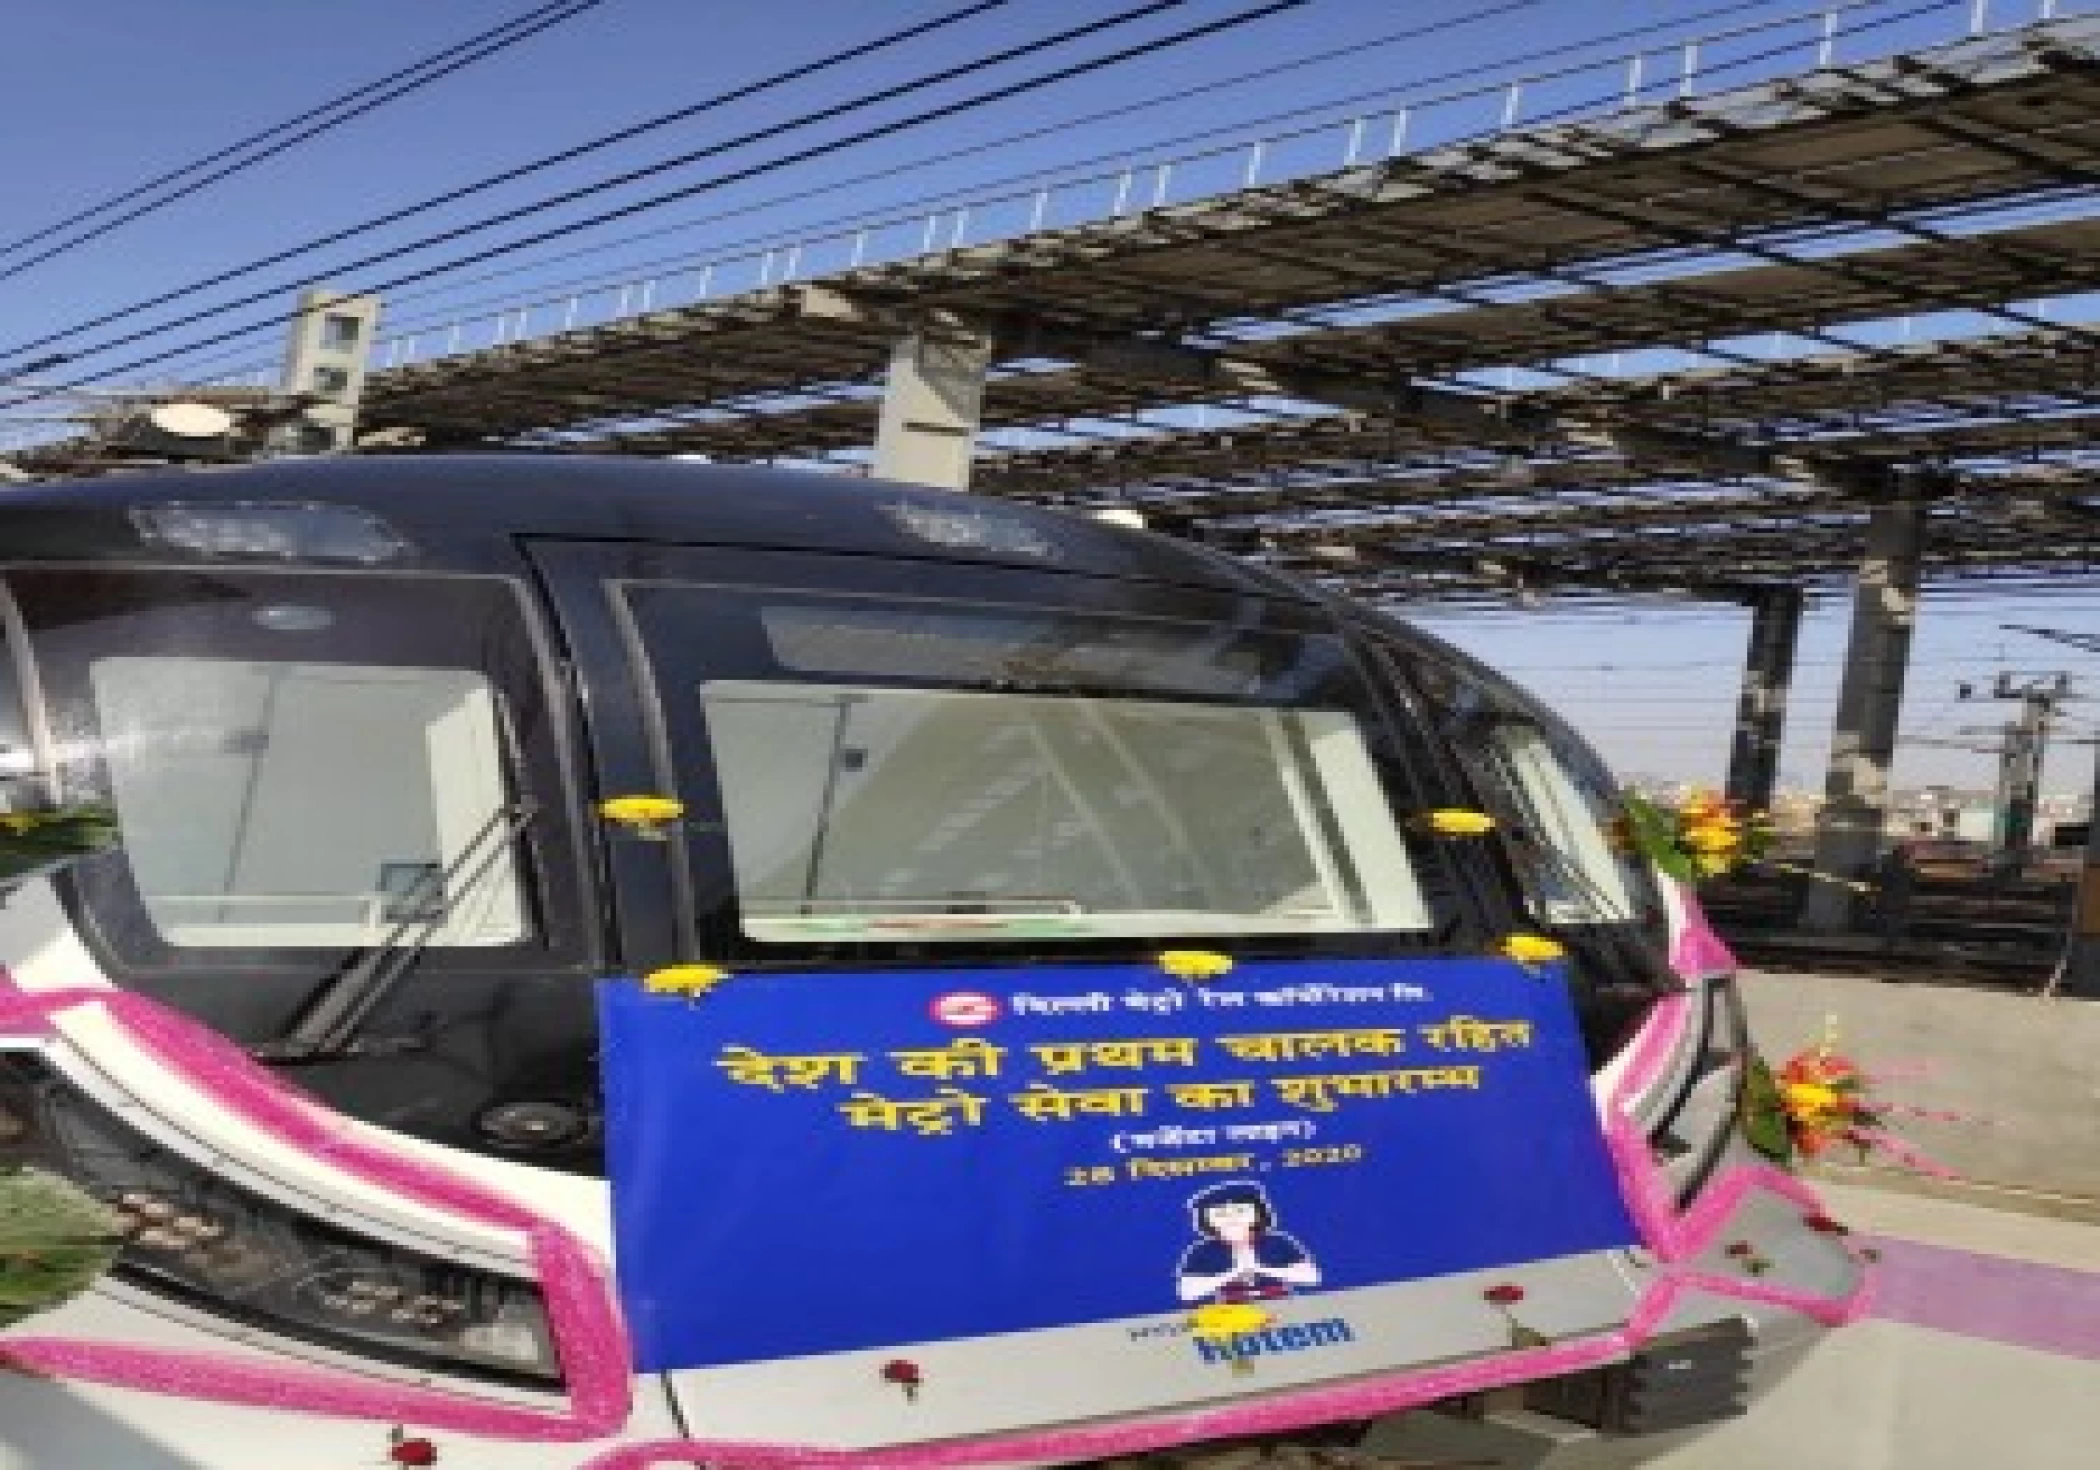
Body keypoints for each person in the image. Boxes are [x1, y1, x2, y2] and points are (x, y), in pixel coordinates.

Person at [1173, 1180, 1320, 1304]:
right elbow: (1187, 1293)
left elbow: (1311, 1277)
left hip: (1282, 1306)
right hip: (1233, 1315)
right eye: (1220, 1214)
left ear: (1258, 1214)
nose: (1232, 1218)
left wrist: (1260, 1269)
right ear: (1207, 1220)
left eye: (1241, 1211)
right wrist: (1233, 1274)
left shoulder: (1277, 1242)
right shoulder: (1201, 1251)